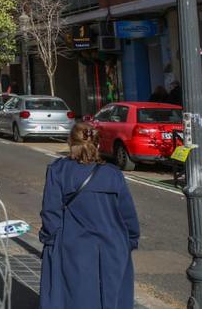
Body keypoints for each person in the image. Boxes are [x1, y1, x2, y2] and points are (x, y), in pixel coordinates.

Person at [39, 122, 139, 309]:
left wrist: (50, 240)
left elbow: (50, 213)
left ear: (71, 143)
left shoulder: (59, 171)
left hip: (73, 246)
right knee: (111, 299)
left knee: (75, 298)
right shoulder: (113, 174)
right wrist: (130, 241)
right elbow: (128, 215)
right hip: (113, 246)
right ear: (98, 144)